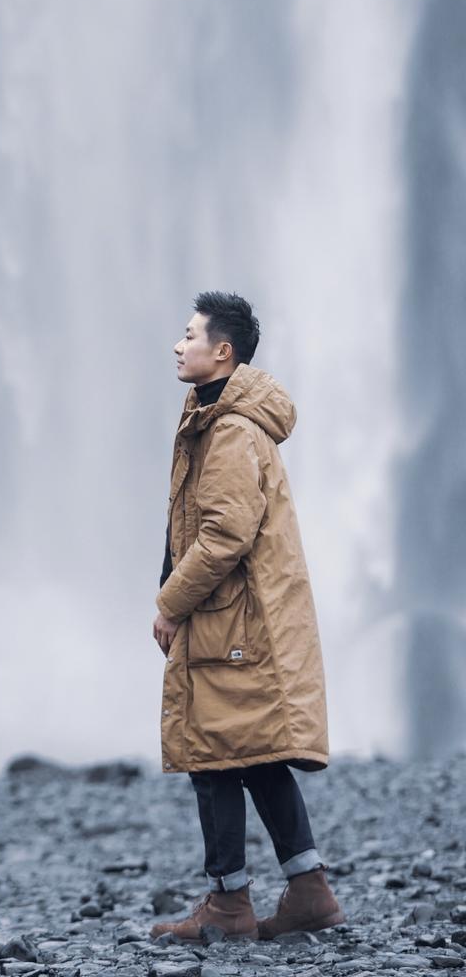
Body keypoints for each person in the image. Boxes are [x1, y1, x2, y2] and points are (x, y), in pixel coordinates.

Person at [150, 291, 345, 942]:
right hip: (239, 620)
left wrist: (170, 603)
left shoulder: (231, 430)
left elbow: (225, 535)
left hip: (234, 623)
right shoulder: (217, 420)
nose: (179, 346)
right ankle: (309, 890)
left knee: (213, 749)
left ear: (222, 350)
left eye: (189, 335)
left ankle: (230, 903)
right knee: (254, 751)